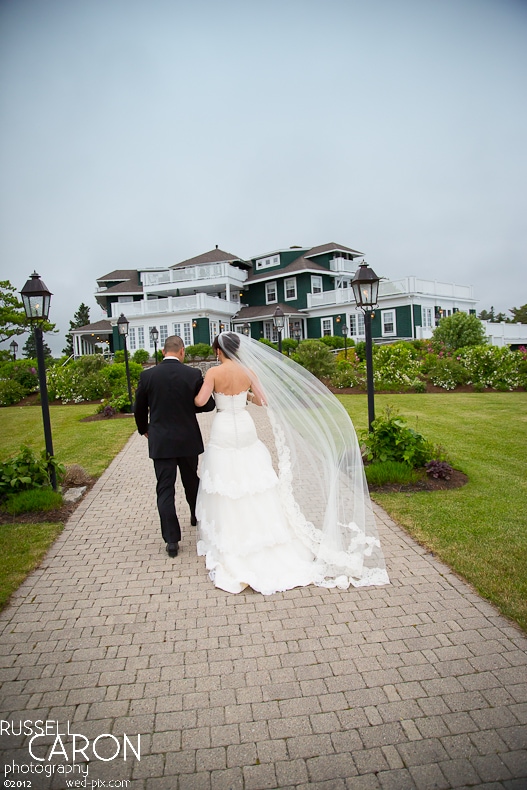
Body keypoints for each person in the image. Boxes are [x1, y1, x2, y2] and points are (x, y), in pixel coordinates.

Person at [194, 331, 389, 595]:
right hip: (245, 424)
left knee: (226, 478)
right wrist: (245, 397)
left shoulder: (214, 373)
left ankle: (230, 533)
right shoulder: (249, 371)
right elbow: (264, 401)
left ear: (219, 350)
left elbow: (200, 401)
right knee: (253, 477)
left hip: (224, 427)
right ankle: (263, 529)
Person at [134, 335, 215, 557]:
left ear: (163, 351)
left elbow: (139, 407)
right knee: (191, 481)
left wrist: (144, 429)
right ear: (182, 351)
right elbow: (207, 405)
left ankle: (171, 540)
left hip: (160, 441)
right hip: (187, 439)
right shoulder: (193, 374)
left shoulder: (148, 375)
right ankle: (195, 516)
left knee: (165, 488)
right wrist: (188, 407)